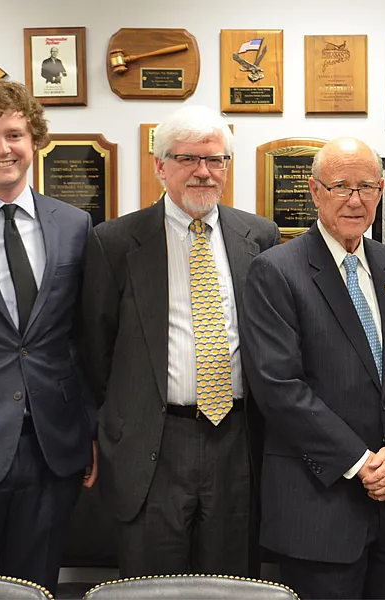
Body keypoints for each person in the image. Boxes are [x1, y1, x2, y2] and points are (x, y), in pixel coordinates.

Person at [81, 105, 279, 578]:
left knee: (231, 582)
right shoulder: (115, 242)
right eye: (187, 159)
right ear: (159, 165)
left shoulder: (260, 236)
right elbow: (94, 348)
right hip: (153, 443)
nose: (203, 172)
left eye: (216, 160)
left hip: (236, 438)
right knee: (153, 584)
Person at [240, 137, 385, 600]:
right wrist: (363, 463)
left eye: (366, 186)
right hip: (318, 510)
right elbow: (279, 388)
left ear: (381, 191)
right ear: (314, 191)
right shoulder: (276, 271)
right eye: (341, 187)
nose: (355, 199)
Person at [0, 79, 96, 594]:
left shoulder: (75, 225)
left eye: (14, 133)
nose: (2, 148)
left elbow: (82, 337)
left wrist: (89, 430)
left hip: (51, 449)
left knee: (37, 585)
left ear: (35, 140)